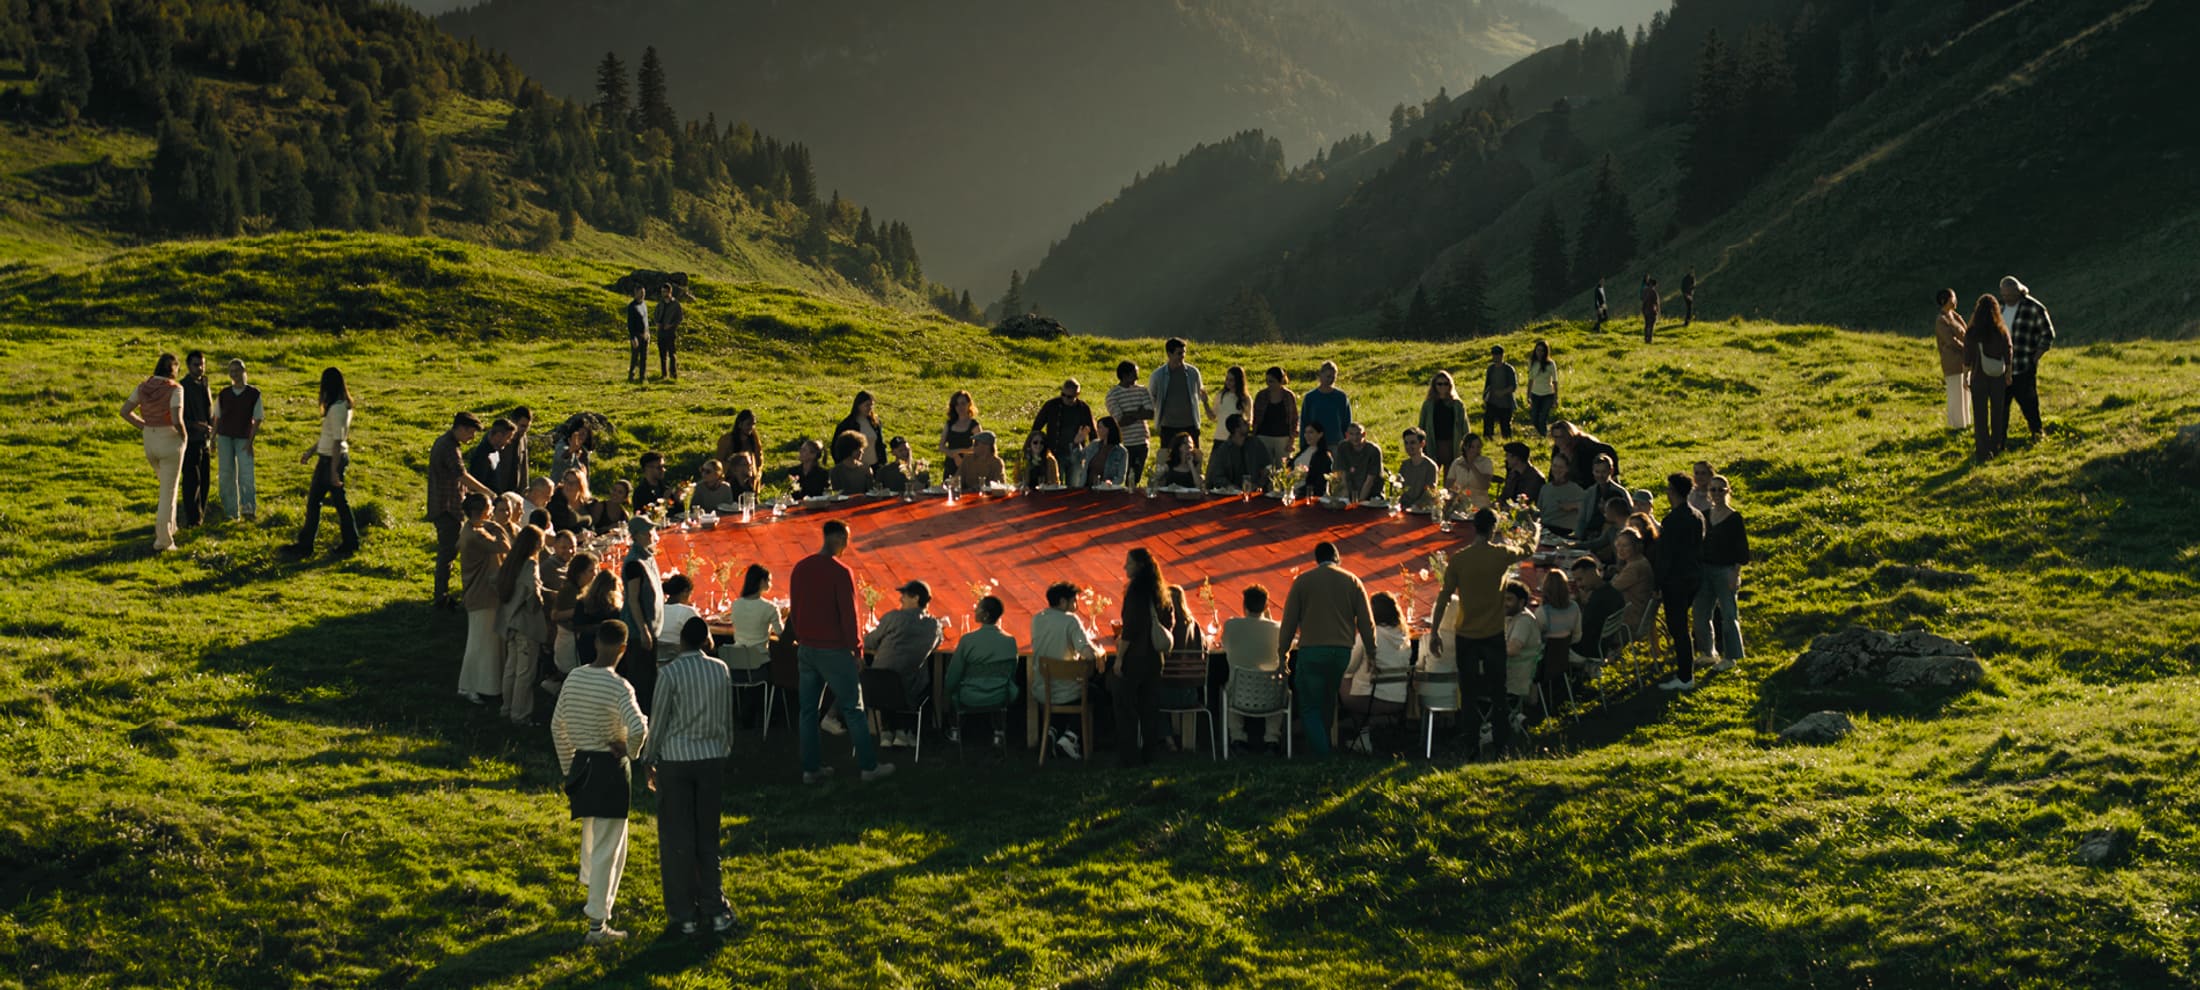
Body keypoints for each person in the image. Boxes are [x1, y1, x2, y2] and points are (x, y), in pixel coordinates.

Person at [550, 619, 649, 946]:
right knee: (610, 846)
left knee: (592, 837)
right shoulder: (620, 687)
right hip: (609, 768)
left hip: (582, 764)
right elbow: (637, 728)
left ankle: (592, 893)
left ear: (596, 644)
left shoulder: (575, 677)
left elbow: (557, 726)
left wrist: (569, 767)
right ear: (623, 648)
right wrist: (631, 752)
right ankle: (597, 923)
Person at [643, 616, 736, 936]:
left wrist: (648, 757)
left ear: (682, 640)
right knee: (707, 837)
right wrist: (725, 748)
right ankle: (715, 908)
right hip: (711, 757)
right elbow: (726, 715)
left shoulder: (669, 674)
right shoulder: (720, 670)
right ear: (707, 640)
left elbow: (659, 721)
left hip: (676, 759)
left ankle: (683, 914)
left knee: (676, 838)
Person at [788, 521, 894, 783]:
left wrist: (802, 636)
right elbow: (849, 615)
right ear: (839, 539)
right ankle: (869, 767)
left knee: (808, 711)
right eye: (846, 540)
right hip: (833, 649)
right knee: (853, 708)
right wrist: (857, 649)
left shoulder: (801, 568)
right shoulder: (840, 572)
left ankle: (811, 769)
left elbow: (794, 607)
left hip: (807, 647)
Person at [1429, 507, 1539, 756]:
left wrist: (1435, 631)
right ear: (1494, 528)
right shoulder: (1501, 554)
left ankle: (1470, 745)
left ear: (1473, 527)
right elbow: (1529, 549)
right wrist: (1535, 530)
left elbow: (1444, 597)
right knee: (1497, 692)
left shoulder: (1459, 559)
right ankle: (1501, 745)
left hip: (1466, 634)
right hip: (1492, 634)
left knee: (1468, 694)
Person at [1276, 542, 1377, 757]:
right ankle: (1325, 742)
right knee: (1329, 700)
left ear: (1316, 559)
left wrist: (1282, 652)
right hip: (1341, 652)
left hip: (1312, 650)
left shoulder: (1303, 582)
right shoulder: (1353, 581)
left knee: (1309, 705)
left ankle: (1322, 754)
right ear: (1337, 558)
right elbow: (1366, 623)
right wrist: (1371, 652)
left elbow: (1289, 622)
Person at [1112, 547, 1177, 767]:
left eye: (1128, 563)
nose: (1124, 567)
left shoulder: (1134, 593)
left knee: (1126, 708)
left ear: (1138, 567)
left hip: (1134, 657)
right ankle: (1150, 756)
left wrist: (1119, 658)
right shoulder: (1161, 592)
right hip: (1155, 659)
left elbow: (1129, 629)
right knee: (1150, 708)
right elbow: (1169, 624)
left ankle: (1129, 757)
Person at [864, 580, 943, 748]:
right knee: (915, 676)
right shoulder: (934, 626)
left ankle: (887, 731)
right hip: (908, 690)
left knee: (889, 673)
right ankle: (904, 730)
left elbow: (869, 642)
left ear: (915, 598)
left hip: (875, 689)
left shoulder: (893, 617)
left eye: (904, 596)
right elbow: (935, 645)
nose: (900, 599)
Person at [427, 412, 495, 606]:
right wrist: (486, 492)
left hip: (446, 505)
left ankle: (443, 594)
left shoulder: (447, 443)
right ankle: (441, 597)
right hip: (446, 507)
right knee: (447, 553)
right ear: (462, 428)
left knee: (448, 552)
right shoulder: (448, 447)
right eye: (471, 433)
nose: (472, 438)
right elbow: (461, 475)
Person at [120, 353, 186, 552]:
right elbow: (176, 418)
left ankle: (171, 527)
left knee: (166, 486)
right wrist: (184, 435)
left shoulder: (143, 387)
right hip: (169, 438)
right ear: (174, 369)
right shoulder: (175, 389)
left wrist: (144, 425)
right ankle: (163, 540)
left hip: (149, 439)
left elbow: (125, 411)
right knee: (168, 491)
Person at [294, 368, 361, 557]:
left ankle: (310, 545)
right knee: (330, 502)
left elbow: (338, 441)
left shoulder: (338, 409)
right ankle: (349, 542)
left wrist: (333, 471)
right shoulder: (340, 407)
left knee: (322, 502)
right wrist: (311, 451)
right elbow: (329, 436)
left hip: (331, 460)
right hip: (328, 458)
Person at [1030, 582, 1100, 759]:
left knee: (1063, 693)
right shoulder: (1070, 620)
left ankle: (1053, 732)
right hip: (1066, 689)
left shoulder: (1037, 619)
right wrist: (1099, 651)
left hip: (1041, 688)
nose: (1076, 606)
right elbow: (1087, 653)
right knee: (1095, 692)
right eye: (1074, 601)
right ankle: (1071, 736)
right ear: (1063, 602)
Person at [1340, 591, 1412, 754]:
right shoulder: (1404, 636)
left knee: (1343, 678)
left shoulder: (1369, 636)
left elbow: (1349, 666)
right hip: (1399, 699)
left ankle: (1359, 737)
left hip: (1373, 698)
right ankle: (1363, 737)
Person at [1653, 473, 1706, 691]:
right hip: (1694, 576)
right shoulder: (1697, 515)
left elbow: (1666, 556)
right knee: (1682, 626)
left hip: (1676, 580)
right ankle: (1685, 671)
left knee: (1679, 628)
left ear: (1673, 492)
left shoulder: (1672, 520)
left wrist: (1657, 584)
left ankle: (1685, 675)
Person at [456, 493, 511, 706]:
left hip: (480, 594)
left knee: (483, 642)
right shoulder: (477, 534)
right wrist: (497, 527)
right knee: (481, 643)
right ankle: (471, 685)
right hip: (482, 595)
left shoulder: (472, 529)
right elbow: (504, 545)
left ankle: (481, 684)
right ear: (483, 511)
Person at [944, 595, 1019, 744]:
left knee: (953, 688)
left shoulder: (968, 640)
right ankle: (998, 733)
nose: (974, 611)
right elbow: (1012, 671)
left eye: (978, 609)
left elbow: (954, 674)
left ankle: (954, 730)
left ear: (985, 615)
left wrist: (948, 690)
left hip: (969, 695)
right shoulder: (1010, 641)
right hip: (999, 695)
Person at [1694, 475, 1749, 674]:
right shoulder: (1704, 515)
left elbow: (1741, 549)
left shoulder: (1734, 518)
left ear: (1728, 491)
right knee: (1701, 613)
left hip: (1725, 570)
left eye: (1720, 489)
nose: (1716, 493)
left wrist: (1735, 573)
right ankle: (1708, 651)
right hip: (1705, 569)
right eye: (1713, 489)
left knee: (1728, 614)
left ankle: (1731, 656)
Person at [1221, 584, 1284, 752]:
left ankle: (1237, 737)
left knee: (1232, 683)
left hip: (1239, 694)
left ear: (1244, 605)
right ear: (1266, 606)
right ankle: (1272, 738)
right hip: (1270, 696)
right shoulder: (1277, 628)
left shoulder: (1231, 625)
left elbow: (1225, 646)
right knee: (1277, 686)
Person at [498, 524, 550, 725]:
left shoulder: (512, 562)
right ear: (537, 543)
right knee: (525, 672)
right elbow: (534, 592)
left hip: (510, 622)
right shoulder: (530, 564)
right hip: (525, 623)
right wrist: (541, 604)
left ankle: (507, 707)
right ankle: (520, 714)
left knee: (511, 668)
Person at [2000, 275, 2056, 441]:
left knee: (2029, 403)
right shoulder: (1999, 307)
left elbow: (2048, 334)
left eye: (2010, 296)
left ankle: (2037, 432)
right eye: (2004, 296)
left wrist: (2036, 357)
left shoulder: (2033, 307)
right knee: (2000, 407)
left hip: (2023, 366)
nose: (2007, 299)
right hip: (2001, 368)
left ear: (2019, 292)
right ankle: (1999, 441)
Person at [209, 358, 263, 522]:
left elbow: (258, 418)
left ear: (244, 372)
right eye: (231, 371)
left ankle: (248, 509)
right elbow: (217, 417)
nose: (235, 374)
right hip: (225, 437)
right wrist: (212, 439)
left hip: (243, 439)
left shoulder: (254, 394)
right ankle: (230, 511)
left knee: (246, 474)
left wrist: (250, 441)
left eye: (237, 370)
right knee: (226, 474)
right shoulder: (224, 393)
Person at [621, 516, 665, 713]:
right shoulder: (634, 563)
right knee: (642, 680)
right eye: (647, 532)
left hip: (652, 626)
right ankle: (641, 717)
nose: (652, 535)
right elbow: (633, 599)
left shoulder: (648, 556)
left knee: (651, 676)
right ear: (636, 536)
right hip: (639, 631)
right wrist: (643, 630)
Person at [1965, 294, 2014, 459]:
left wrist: (1966, 376)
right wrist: (2008, 373)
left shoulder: (1972, 331)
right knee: (1997, 412)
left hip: (1978, 376)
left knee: (1980, 415)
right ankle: (1997, 445)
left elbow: (1967, 356)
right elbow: (2008, 351)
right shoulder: (2001, 330)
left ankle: (1983, 450)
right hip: (1997, 377)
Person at [1149, 337, 1213, 452]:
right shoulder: (1158, 376)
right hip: (1168, 426)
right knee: (1167, 459)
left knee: (1193, 457)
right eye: (1179, 353)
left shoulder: (1193, 373)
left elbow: (1199, 394)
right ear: (1169, 354)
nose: (1182, 356)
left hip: (1190, 425)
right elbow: (1151, 398)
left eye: (1184, 353)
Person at [177, 351, 214, 527]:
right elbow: (178, 417)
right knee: (192, 480)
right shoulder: (182, 387)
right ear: (188, 366)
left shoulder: (204, 383)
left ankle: (200, 515)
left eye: (202, 364)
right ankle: (193, 519)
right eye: (196, 365)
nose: (200, 368)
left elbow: (210, 410)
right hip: (190, 439)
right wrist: (194, 425)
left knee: (205, 480)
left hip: (204, 438)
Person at [1535, 570, 1580, 712]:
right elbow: (1577, 635)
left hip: (1543, 662)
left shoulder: (1542, 613)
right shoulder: (1574, 608)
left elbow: (1534, 640)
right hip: (1564, 657)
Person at [1105, 361, 1156, 486]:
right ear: (1124, 375)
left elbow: (1150, 413)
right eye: (1134, 374)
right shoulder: (1113, 395)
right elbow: (1121, 421)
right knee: (1122, 476)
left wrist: (1130, 414)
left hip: (1142, 441)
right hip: (1125, 443)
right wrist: (1138, 413)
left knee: (1135, 477)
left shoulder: (1142, 390)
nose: (1137, 378)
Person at [1568, 558, 1626, 668]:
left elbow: (1579, 630)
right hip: (1604, 646)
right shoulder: (1614, 593)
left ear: (1591, 572)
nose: (1579, 585)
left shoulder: (1597, 600)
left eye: (1580, 579)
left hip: (1586, 650)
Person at [549, 552, 598, 680]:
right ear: (579, 573)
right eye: (591, 571)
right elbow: (555, 615)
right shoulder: (569, 590)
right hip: (569, 642)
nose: (595, 574)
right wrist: (580, 610)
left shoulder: (583, 588)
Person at [1030, 379, 1095, 474]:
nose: (1065, 398)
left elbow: (1093, 432)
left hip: (1076, 454)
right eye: (1063, 395)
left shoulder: (1083, 408)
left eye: (1069, 397)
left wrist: (1093, 454)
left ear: (1077, 394)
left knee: (1075, 486)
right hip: (1055, 452)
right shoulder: (1051, 406)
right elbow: (1036, 428)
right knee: (1056, 484)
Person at [1501, 583, 1543, 722]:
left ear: (1521, 602)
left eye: (1509, 599)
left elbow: (1512, 650)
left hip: (1513, 676)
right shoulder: (1515, 617)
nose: (1504, 603)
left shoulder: (1523, 621)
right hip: (1516, 671)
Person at [1414, 370, 1468, 469]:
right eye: (1439, 384)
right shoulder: (1428, 404)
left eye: (1445, 384)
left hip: (1452, 443)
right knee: (1431, 472)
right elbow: (1421, 426)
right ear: (1434, 386)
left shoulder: (1457, 404)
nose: (1442, 387)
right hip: (1433, 443)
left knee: (1451, 474)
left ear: (1450, 385)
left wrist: (1467, 445)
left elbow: (1464, 426)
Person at [1933, 289, 1971, 431]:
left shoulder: (1955, 316)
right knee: (1956, 394)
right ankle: (1956, 425)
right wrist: (1966, 348)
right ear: (1945, 301)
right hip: (1952, 362)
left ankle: (1965, 423)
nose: (1955, 301)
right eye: (1953, 298)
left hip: (1963, 361)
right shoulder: (1941, 320)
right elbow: (1950, 341)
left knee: (1965, 394)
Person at [1299, 361, 1352, 455]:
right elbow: (1304, 422)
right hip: (1315, 442)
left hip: (1336, 442)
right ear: (1320, 375)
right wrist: (1303, 444)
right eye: (1328, 376)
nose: (1330, 380)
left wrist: (1348, 443)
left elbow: (1346, 422)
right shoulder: (1310, 397)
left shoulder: (1340, 397)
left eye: (1333, 377)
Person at [1251, 366, 1299, 469]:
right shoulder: (1261, 395)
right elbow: (1255, 419)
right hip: (1264, 437)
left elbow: (1294, 419)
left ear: (1281, 381)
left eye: (1272, 381)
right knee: (1264, 468)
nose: (1269, 384)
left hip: (1283, 438)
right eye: (1267, 381)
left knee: (1282, 469)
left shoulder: (1289, 396)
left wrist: (1291, 440)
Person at [1206, 414, 1265, 492]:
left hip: (1255, 491)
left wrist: (1259, 484)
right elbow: (1216, 475)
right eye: (1244, 423)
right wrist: (1230, 486)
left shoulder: (1256, 443)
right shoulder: (1224, 450)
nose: (1248, 424)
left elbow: (1267, 467)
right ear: (1237, 429)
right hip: (1232, 493)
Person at [729, 565, 784, 648]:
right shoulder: (770, 607)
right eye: (769, 580)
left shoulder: (735, 605)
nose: (771, 584)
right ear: (762, 581)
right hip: (760, 658)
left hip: (737, 656)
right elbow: (781, 635)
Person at [1612, 530, 1655, 634]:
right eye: (1618, 545)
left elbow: (1611, 589)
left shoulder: (1635, 567)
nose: (1620, 550)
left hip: (1628, 621)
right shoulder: (1641, 560)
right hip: (1638, 614)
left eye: (1625, 546)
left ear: (1636, 547)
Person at [1537, 455, 1591, 537]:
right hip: (1545, 530)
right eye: (1555, 466)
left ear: (1567, 469)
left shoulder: (1575, 489)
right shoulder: (1545, 488)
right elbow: (1539, 511)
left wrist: (1573, 505)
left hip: (1565, 532)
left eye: (1561, 467)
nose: (1557, 470)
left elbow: (1589, 506)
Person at [1550, 422, 1620, 481]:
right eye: (1556, 437)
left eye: (1562, 437)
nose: (1559, 441)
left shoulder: (1586, 448)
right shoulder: (1557, 449)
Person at [1335, 423, 1385, 504]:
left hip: (1371, 495)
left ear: (1364, 434)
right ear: (1347, 435)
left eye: (1358, 434)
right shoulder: (1343, 447)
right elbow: (1342, 474)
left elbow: (1370, 481)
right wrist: (1346, 498)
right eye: (1351, 434)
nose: (1355, 438)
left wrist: (1359, 502)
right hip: (1350, 492)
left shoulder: (1373, 450)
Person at [836, 391, 886, 470]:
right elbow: (837, 448)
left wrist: (883, 463)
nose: (870, 408)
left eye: (871, 405)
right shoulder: (847, 424)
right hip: (856, 468)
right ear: (858, 405)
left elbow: (880, 444)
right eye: (867, 405)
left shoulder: (875, 422)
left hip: (875, 466)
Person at [467, 418, 515, 498]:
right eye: (508, 438)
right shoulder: (482, 455)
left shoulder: (494, 452)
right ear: (498, 436)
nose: (508, 442)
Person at [1445, 432, 1494, 509]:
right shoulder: (1457, 463)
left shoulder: (1485, 462)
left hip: (1480, 504)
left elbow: (1485, 485)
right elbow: (1448, 485)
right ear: (1465, 447)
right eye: (1472, 447)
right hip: (1460, 504)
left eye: (1478, 447)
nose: (1475, 450)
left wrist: (1472, 466)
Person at [1397, 428, 1441, 512]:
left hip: (1422, 511)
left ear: (1422, 444)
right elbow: (1400, 489)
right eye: (1406, 443)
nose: (1408, 446)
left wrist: (1414, 507)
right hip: (1404, 508)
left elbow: (1429, 492)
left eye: (1413, 443)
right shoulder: (1404, 465)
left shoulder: (1430, 466)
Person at [657, 574, 701, 658]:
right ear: (685, 591)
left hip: (657, 661)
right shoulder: (688, 612)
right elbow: (708, 643)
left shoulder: (655, 610)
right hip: (683, 662)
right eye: (690, 594)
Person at [939, 390, 981, 475]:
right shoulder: (949, 424)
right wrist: (954, 455)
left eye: (963, 403)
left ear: (969, 404)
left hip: (967, 465)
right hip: (950, 465)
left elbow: (979, 448)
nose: (960, 407)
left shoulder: (974, 425)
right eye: (957, 404)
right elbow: (941, 446)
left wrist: (959, 451)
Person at [494, 406, 534, 495]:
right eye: (522, 426)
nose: (525, 430)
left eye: (528, 427)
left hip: (515, 490)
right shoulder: (500, 437)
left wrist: (524, 491)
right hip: (497, 489)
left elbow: (524, 466)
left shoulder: (523, 438)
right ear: (513, 422)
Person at [1480, 345, 1517, 439]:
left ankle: (1507, 443)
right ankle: (1488, 441)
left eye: (1498, 354)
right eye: (1494, 354)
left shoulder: (1508, 369)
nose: (1495, 357)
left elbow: (1513, 386)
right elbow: (1487, 385)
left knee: (1505, 427)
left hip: (1506, 404)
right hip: (1492, 402)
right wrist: (1485, 397)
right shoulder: (1490, 369)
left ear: (1502, 355)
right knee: (1488, 423)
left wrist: (1502, 392)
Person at [630, 450, 683, 516]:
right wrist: (663, 502)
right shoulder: (640, 493)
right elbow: (641, 519)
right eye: (659, 467)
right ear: (647, 469)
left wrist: (678, 500)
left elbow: (679, 513)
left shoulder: (666, 487)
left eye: (663, 466)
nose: (663, 470)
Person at [1082, 417, 1129, 489]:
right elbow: (1077, 458)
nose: (1098, 431)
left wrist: (1109, 484)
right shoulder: (1094, 445)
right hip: (1087, 487)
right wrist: (1077, 443)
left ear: (1108, 429)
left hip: (1106, 490)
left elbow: (1120, 477)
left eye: (1100, 428)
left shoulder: (1121, 452)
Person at [1289, 421, 1332, 499]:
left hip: (1306, 494)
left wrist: (1300, 491)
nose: (1307, 436)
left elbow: (1319, 483)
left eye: (1311, 432)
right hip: (1292, 491)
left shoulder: (1323, 457)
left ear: (1320, 434)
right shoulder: (1303, 450)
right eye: (1306, 433)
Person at [1525, 340, 1559, 436]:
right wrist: (1528, 395)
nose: (1539, 353)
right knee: (1534, 418)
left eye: (1542, 351)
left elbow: (1555, 381)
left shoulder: (1550, 364)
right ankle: (1542, 434)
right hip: (1535, 394)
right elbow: (1530, 380)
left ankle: (1544, 436)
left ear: (1545, 352)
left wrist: (1556, 398)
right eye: (1538, 350)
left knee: (1542, 418)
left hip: (1547, 394)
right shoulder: (1532, 362)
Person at [1499, 442, 1544, 507]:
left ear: (1516, 458)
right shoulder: (1513, 474)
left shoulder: (1535, 478)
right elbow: (1504, 496)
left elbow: (1527, 502)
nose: (1506, 459)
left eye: (1507, 455)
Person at [656, 282, 684, 381]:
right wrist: (657, 323)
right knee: (662, 355)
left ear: (669, 292)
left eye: (665, 292)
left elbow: (680, 318)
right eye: (662, 292)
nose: (663, 294)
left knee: (672, 354)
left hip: (670, 332)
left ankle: (673, 374)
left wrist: (671, 325)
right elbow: (656, 314)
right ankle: (664, 374)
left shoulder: (675, 305)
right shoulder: (660, 303)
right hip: (661, 332)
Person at [1213, 365, 1251, 440]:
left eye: (1231, 380)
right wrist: (1205, 403)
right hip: (1219, 438)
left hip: (1235, 440)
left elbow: (1249, 420)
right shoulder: (1221, 395)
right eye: (1227, 379)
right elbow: (1213, 416)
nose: (1228, 382)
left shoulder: (1245, 399)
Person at [551, 422, 594, 487]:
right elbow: (562, 457)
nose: (580, 437)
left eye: (583, 434)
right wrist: (571, 450)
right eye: (578, 433)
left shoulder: (584, 452)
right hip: (559, 489)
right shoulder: (562, 445)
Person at [624, 284, 650, 383]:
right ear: (636, 293)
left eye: (643, 293)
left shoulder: (644, 305)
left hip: (645, 335)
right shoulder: (632, 307)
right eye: (641, 293)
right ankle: (631, 376)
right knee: (635, 357)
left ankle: (642, 377)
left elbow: (646, 320)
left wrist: (648, 333)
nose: (643, 295)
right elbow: (630, 323)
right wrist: (633, 337)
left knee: (644, 358)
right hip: (637, 335)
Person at [1640, 276, 1660, 343]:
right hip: (1651, 310)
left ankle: (1646, 338)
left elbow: (1643, 299)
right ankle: (1649, 339)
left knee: (1646, 324)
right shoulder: (1654, 292)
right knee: (1651, 325)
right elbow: (1656, 303)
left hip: (1645, 310)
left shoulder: (1645, 291)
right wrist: (1657, 311)